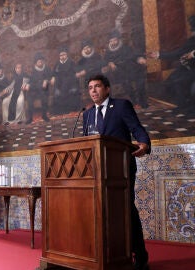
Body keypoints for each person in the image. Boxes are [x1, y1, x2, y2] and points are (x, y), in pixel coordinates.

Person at [82, 74, 150, 270]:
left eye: (97, 87)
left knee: (126, 209)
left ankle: (140, 256)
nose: (93, 91)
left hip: (120, 168)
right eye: (90, 88)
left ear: (107, 89)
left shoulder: (121, 106)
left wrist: (144, 144)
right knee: (101, 212)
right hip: (97, 171)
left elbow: (136, 129)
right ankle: (108, 254)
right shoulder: (86, 115)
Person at [51, 46, 79, 114]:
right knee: (57, 91)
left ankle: (67, 109)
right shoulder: (57, 64)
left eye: (64, 55)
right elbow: (53, 73)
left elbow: (75, 73)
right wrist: (53, 77)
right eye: (61, 55)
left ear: (66, 55)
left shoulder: (71, 63)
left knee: (66, 85)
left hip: (70, 83)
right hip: (59, 84)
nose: (62, 57)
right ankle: (60, 110)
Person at [26, 53, 51, 123]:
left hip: (43, 89)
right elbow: (30, 81)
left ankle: (44, 115)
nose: (40, 62)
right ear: (36, 62)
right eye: (38, 61)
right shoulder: (32, 70)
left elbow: (50, 76)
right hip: (34, 89)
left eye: (41, 61)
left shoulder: (46, 68)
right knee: (29, 98)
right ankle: (30, 118)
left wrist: (46, 80)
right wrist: (28, 85)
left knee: (45, 96)